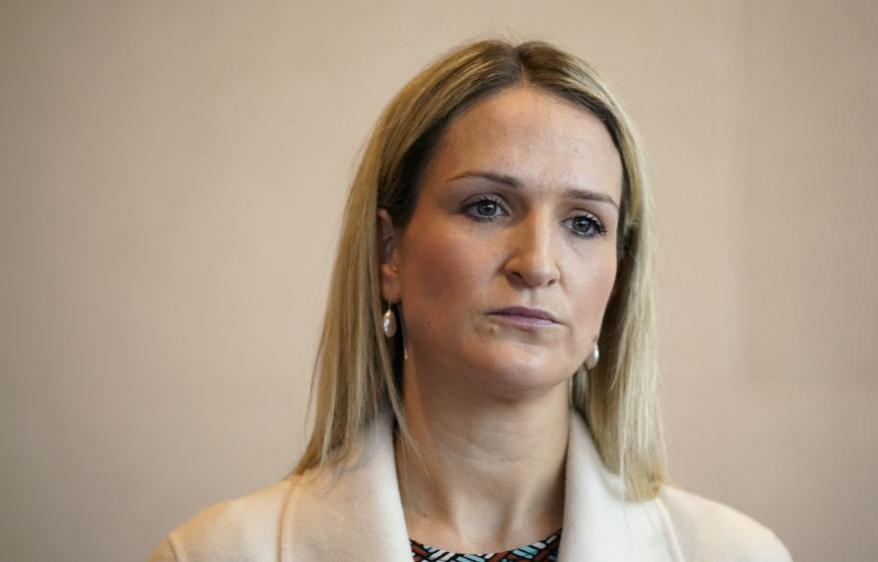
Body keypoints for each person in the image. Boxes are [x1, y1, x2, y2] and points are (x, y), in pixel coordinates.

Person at [148, 39, 792, 562]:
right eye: (487, 206)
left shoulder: (735, 555)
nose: (537, 264)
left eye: (585, 223)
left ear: (620, 277)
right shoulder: (214, 554)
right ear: (388, 254)